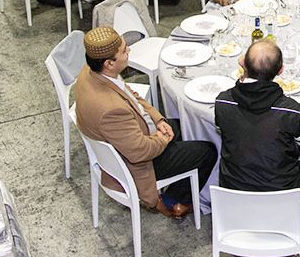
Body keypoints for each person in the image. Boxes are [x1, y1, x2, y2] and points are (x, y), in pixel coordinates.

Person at [74, 27, 217, 219]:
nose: (129, 50)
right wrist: (163, 139)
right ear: (109, 63)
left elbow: (131, 95)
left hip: (136, 134)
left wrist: (158, 120)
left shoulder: (91, 71)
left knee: (186, 126)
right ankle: (174, 201)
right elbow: (141, 152)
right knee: (208, 151)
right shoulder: (110, 110)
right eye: (124, 50)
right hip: (138, 163)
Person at [215, 39, 300, 245]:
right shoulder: (290, 110)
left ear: (243, 65)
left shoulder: (222, 101)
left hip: (234, 190)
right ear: (281, 70)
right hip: (281, 194)